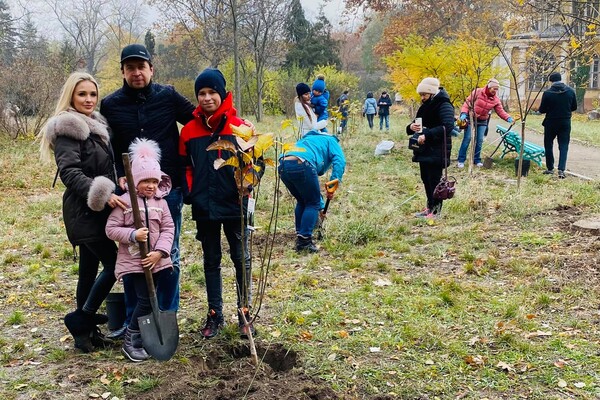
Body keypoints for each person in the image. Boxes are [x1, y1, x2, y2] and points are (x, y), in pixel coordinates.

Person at [100, 44, 195, 335]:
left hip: (169, 191)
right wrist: (115, 180)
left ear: (151, 69)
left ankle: (166, 316)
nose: (137, 72)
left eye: (142, 66)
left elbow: (197, 120)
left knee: (168, 252)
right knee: (133, 256)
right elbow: (105, 146)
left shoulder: (167, 96)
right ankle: (134, 323)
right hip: (130, 196)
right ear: (123, 72)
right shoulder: (111, 104)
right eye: (130, 68)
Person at [40, 72, 126, 352]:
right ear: (71, 96)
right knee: (115, 265)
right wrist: (105, 193)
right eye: (82, 94)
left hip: (97, 209)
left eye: (92, 94)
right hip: (84, 210)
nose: (88, 99)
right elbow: (70, 172)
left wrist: (119, 183)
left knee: (88, 272)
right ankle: (82, 318)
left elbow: (103, 166)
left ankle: (85, 334)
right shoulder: (69, 127)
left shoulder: (96, 125)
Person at [179, 68, 255, 340]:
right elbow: (185, 166)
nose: (207, 98)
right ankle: (215, 314)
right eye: (202, 93)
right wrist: (191, 192)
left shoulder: (241, 128)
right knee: (211, 260)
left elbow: (254, 166)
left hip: (235, 205)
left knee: (240, 257)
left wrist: (247, 184)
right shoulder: (189, 131)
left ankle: (245, 313)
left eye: (212, 92)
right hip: (205, 206)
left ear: (222, 94)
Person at [105, 138, 175, 362]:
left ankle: (143, 337)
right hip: (135, 262)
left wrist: (160, 253)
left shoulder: (161, 202)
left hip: (156, 261)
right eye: (145, 181)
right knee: (144, 299)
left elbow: (168, 228)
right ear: (135, 181)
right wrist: (133, 235)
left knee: (152, 299)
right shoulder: (125, 203)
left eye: (155, 181)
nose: (151, 185)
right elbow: (111, 229)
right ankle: (130, 340)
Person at [278, 130, 346, 253]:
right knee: (312, 203)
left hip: (283, 164)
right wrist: (332, 185)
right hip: (303, 163)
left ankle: (300, 236)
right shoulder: (331, 140)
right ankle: (304, 242)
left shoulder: (306, 140)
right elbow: (340, 161)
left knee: (302, 201)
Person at [406, 77, 455, 218]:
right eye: (420, 94)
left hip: (437, 149)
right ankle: (430, 207)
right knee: (425, 178)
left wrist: (427, 135)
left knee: (434, 180)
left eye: (424, 94)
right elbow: (419, 122)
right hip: (424, 149)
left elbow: (447, 126)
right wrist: (411, 127)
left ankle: (436, 211)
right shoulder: (427, 104)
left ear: (432, 93)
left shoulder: (444, 104)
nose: (422, 97)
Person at [457, 78, 513, 168]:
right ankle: (461, 160)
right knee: (467, 139)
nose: (495, 91)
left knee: (479, 141)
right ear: (489, 87)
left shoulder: (495, 100)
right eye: (494, 89)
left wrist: (508, 118)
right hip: (471, 118)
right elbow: (467, 103)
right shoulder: (478, 92)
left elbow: (500, 111)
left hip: (482, 121)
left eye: (497, 89)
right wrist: (464, 113)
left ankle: (477, 160)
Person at [538, 72, 577, 179]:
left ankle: (550, 168)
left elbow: (542, 110)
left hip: (551, 122)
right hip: (565, 122)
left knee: (548, 144)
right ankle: (561, 170)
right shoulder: (570, 91)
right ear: (561, 79)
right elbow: (574, 107)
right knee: (564, 146)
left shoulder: (547, 93)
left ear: (551, 81)